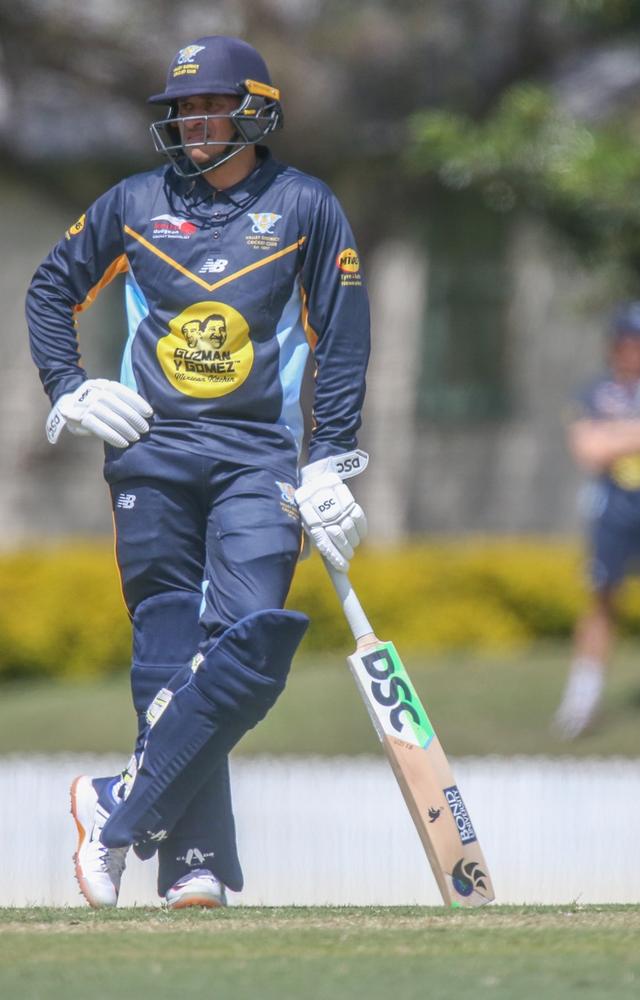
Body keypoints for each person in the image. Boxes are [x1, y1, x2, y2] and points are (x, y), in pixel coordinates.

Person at [26, 35, 370, 908]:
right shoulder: (135, 202)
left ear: (255, 111)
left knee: (251, 639)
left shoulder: (304, 206)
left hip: (259, 457)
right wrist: (68, 388)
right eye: (179, 111)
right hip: (151, 451)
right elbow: (49, 290)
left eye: (208, 107)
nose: (190, 123)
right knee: (168, 656)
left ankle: (112, 807)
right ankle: (194, 860)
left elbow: (343, 343)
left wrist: (331, 457)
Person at [553, 301, 640, 739]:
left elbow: (602, 442)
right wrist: (638, 434)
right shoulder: (594, 392)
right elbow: (588, 451)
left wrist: (615, 436)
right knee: (601, 601)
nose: (639, 351)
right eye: (633, 341)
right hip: (612, 510)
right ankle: (580, 703)